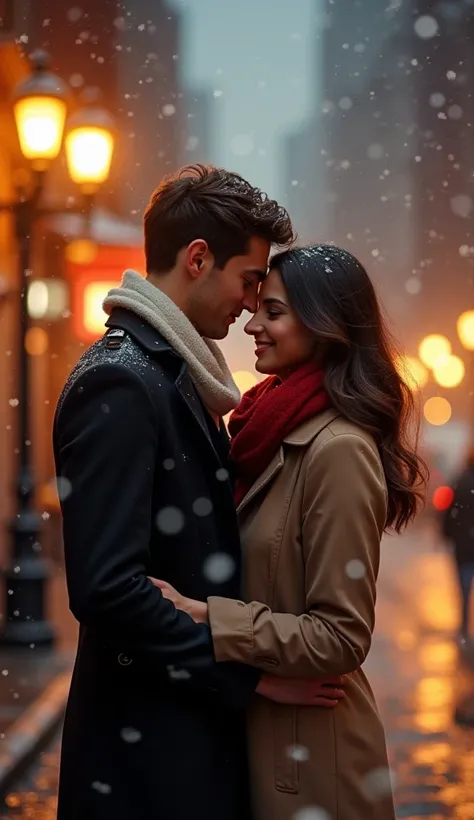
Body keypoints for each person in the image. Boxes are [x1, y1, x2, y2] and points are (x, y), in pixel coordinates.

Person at [53, 168, 347, 820]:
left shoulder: (169, 373)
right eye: (249, 280)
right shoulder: (125, 382)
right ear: (197, 259)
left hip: (174, 746)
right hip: (147, 764)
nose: (250, 303)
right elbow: (107, 590)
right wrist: (247, 676)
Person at [151, 244, 428, 820]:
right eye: (256, 309)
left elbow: (341, 637)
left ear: (325, 327)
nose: (252, 324)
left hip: (313, 765)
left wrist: (206, 616)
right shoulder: (264, 431)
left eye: (273, 312)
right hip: (266, 739)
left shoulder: (338, 450)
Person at [442, 448, 474, 642]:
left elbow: (449, 512)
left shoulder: (460, 483)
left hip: (463, 546)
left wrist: (447, 534)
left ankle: (463, 627)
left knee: (464, 587)